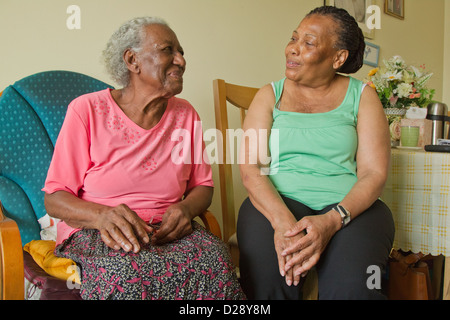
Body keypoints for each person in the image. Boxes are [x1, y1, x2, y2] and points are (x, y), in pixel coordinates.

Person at [42, 17, 244, 300]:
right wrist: (102, 216)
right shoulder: (87, 110)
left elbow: (203, 186)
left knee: (216, 259)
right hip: (100, 230)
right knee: (125, 273)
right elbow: (54, 198)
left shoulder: (186, 114)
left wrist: (186, 210)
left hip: (167, 232)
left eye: (182, 52)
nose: (181, 61)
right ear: (132, 60)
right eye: (168, 50)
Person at [237, 6, 395, 300]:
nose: (293, 49)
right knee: (267, 283)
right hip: (276, 204)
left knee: (355, 288)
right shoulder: (269, 95)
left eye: (308, 43)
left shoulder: (363, 97)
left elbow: (374, 174)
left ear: (338, 57)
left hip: (350, 210)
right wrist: (281, 220)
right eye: (294, 38)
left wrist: (333, 220)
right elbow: (251, 168)